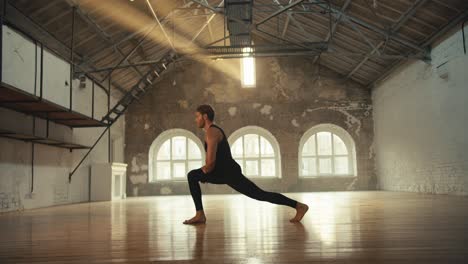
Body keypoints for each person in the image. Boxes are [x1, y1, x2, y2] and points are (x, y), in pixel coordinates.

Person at [183, 105, 309, 225]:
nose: (196, 120)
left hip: (229, 173)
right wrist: (204, 174)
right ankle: (200, 214)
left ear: (205, 117)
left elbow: (210, 164)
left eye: (197, 116)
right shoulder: (211, 131)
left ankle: (299, 206)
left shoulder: (212, 132)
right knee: (193, 176)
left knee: (260, 195)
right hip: (221, 172)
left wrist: (205, 173)